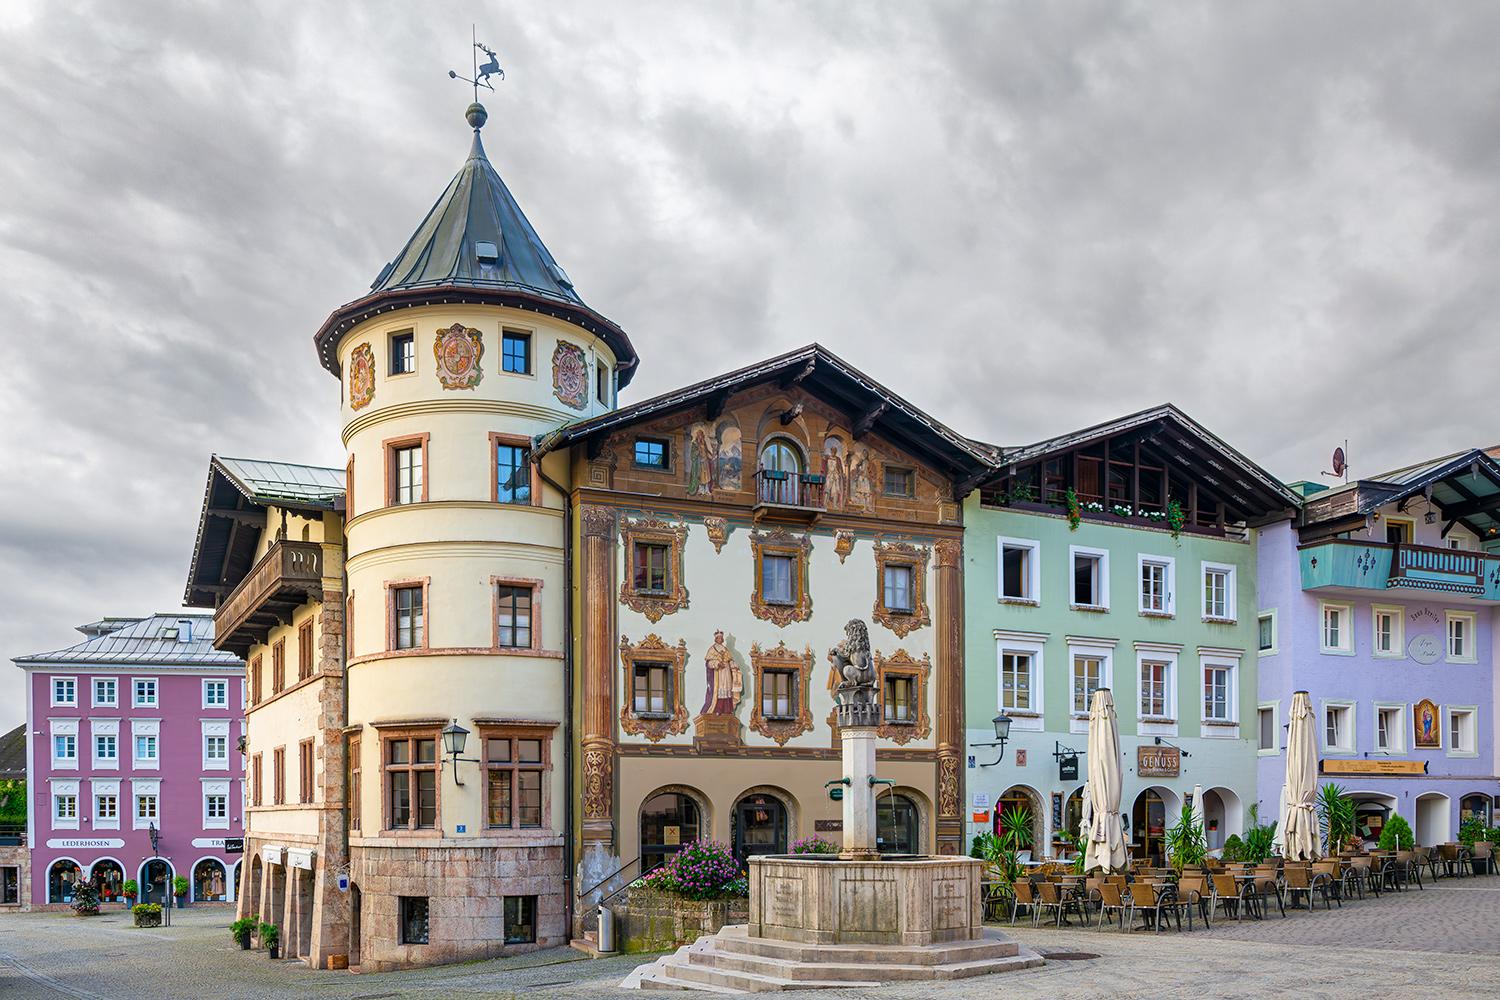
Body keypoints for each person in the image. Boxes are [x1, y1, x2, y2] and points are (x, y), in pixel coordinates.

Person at [700, 630, 742, 714]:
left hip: (726, 673)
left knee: (727, 690)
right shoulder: (712, 649)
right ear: (715, 639)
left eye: (721, 638)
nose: (720, 639)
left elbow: (729, 660)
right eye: (718, 638)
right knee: (718, 691)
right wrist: (717, 663)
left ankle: (727, 710)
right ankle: (717, 709)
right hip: (718, 674)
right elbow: (709, 663)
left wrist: (733, 665)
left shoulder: (726, 650)